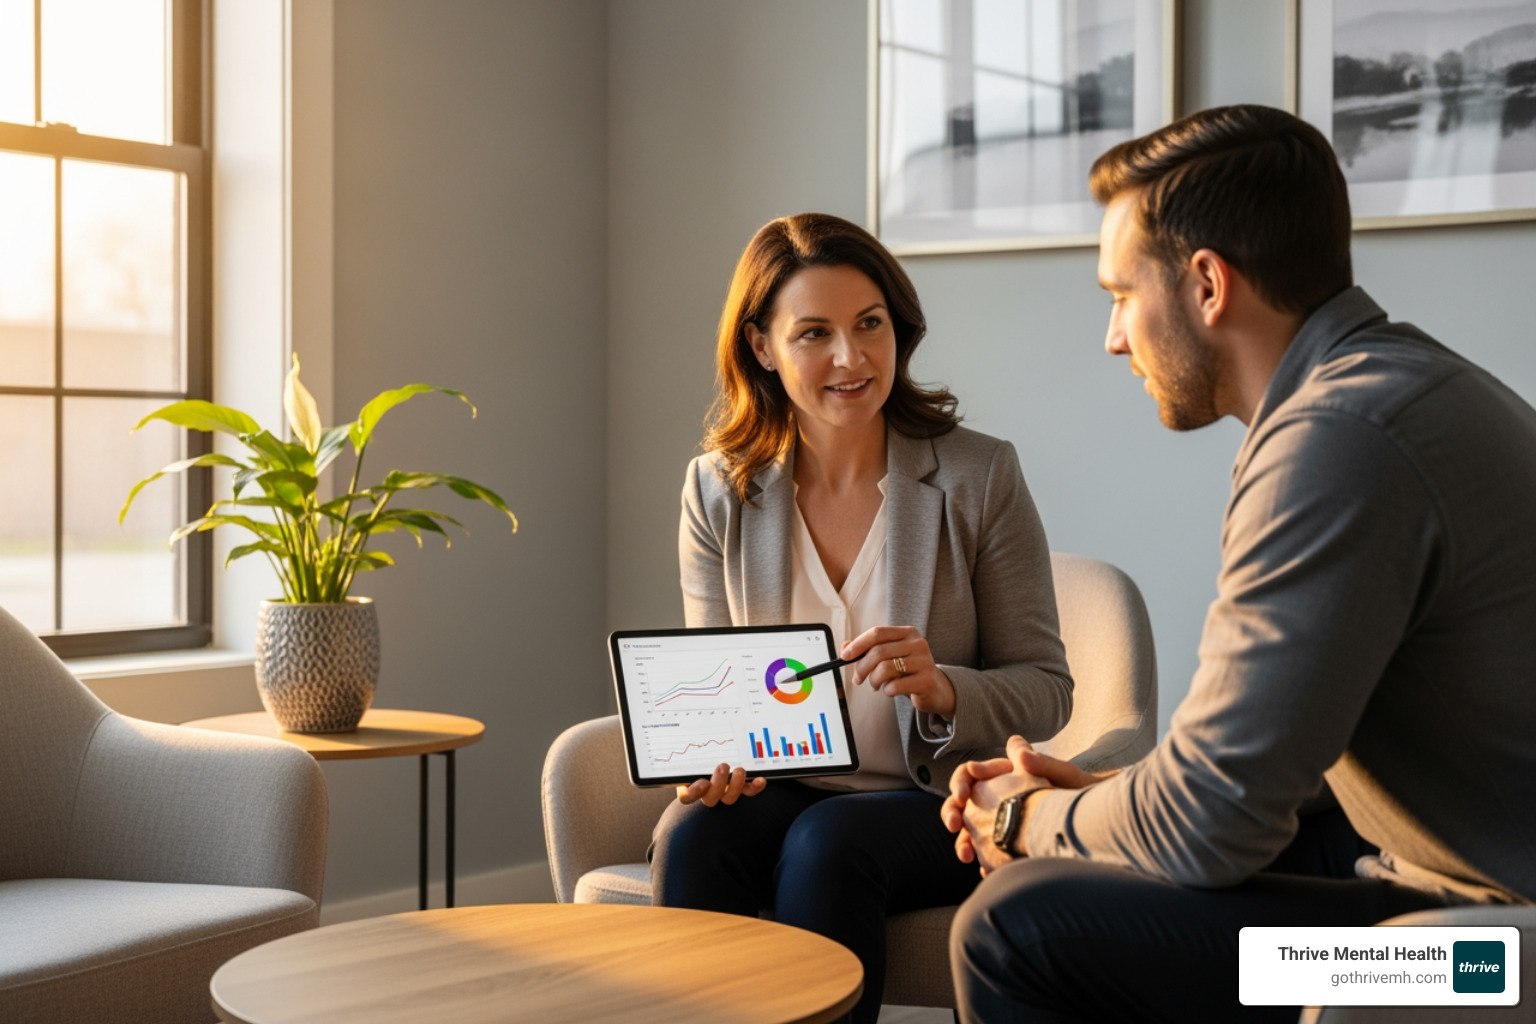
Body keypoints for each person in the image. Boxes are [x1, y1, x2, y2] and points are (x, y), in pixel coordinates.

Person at [941, 104, 1536, 1023]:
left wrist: (1027, 822)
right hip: (1435, 889)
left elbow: (1207, 828)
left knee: (1017, 925)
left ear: (1208, 285)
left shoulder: (1337, 441)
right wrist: (1110, 798)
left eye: (1119, 295)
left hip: (1480, 958)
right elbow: (1250, 779)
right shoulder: (1392, 388)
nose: (1112, 337)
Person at [652, 212, 1074, 1024]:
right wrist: (705, 758)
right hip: (785, 787)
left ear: (898, 330)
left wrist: (945, 689)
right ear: (763, 347)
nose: (851, 357)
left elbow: (1047, 688)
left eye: (870, 325)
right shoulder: (718, 490)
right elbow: (713, 698)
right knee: (692, 833)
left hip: (932, 801)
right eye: (814, 333)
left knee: (831, 840)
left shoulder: (979, 475)